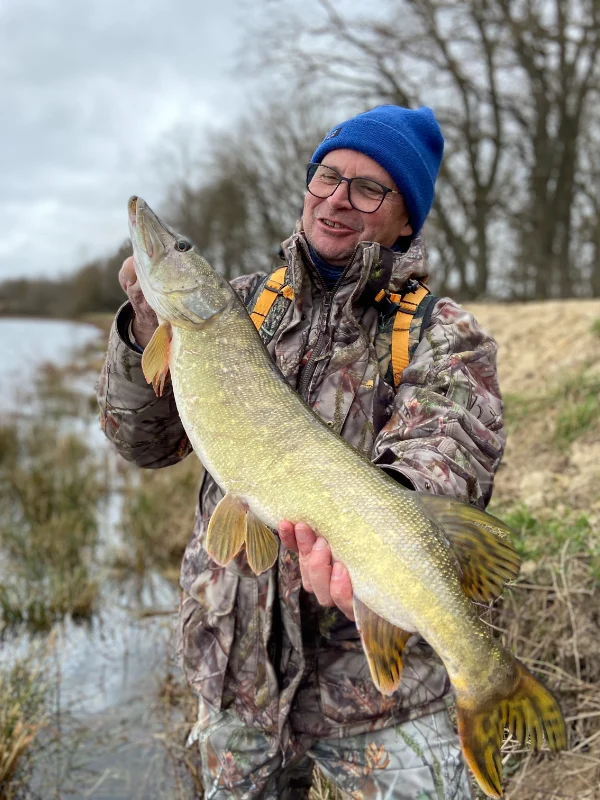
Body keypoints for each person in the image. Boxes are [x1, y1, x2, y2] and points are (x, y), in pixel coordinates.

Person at [98, 105, 505, 799]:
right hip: (237, 673)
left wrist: (359, 548)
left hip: (379, 693)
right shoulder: (239, 307)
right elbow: (146, 443)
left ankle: (486, 683)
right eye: (328, 176)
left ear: (407, 218)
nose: (338, 199)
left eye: (370, 188)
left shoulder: (444, 335)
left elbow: (443, 466)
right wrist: (140, 333)